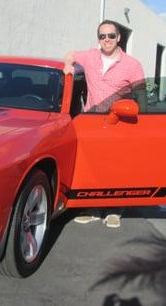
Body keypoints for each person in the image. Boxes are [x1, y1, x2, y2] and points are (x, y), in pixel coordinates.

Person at [63, 19, 146, 228]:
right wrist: (67, 65)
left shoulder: (132, 65)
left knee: (116, 168)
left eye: (111, 36)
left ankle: (114, 209)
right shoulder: (90, 57)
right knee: (93, 167)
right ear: (98, 39)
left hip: (120, 124)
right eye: (102, 36)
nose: (106, 39)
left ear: (118, 38)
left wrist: (144, 122)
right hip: (92, 123)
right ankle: (93, 208)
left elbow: (142, 96)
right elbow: (71, 55)